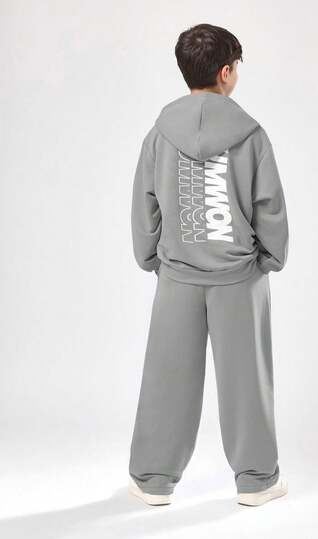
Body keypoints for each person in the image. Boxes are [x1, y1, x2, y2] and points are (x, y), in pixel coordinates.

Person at [128, 23, 289, 507]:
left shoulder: (160, 134)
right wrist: (270, 257)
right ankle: (257, 482)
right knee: (247, 381)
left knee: (166, 377)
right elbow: (269, 206)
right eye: (236, 65)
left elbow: (145, 204)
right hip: (239, 278)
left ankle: (153, 481)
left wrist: (150, 255)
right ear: (226, 72)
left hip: (177, 276)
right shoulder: (251, 135)